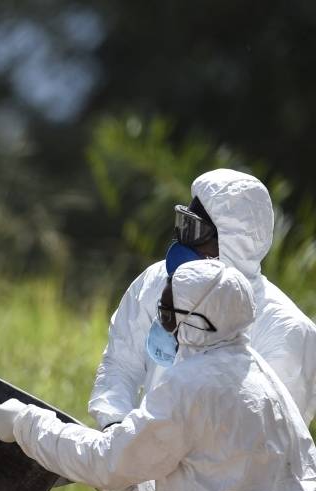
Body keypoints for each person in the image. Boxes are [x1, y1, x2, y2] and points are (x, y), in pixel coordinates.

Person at [0, 259, 316, 491]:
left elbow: (109, 463)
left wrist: (24, 423)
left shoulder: (192, 385)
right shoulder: (257, 374)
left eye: (167, 312)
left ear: (198, 322)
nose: (160, 321)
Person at [91, 168, 316, 430]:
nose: (181, 241)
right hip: (144, 457)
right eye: (182, 224)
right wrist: (115, 428)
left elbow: (266, 440)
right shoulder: (157, 281)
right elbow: (120, 364)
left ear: (235, 243)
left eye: (194, 231)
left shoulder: (287, 331)